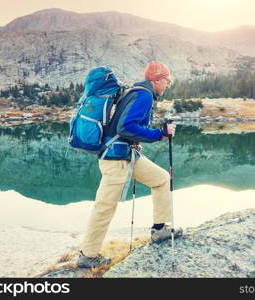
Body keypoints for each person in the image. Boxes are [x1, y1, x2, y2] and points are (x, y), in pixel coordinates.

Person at [78, 61, 183, 268]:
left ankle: (160, 229)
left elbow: (125, 128)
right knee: (105, 207)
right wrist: (159, 134)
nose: (167, 86)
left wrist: (135, 142)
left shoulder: (137, 91)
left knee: (161, 178)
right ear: (158, 80)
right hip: (115, 160)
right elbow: (125, 127)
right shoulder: (144, 95)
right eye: (167, 82)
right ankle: (88, 256)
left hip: (126, 154)